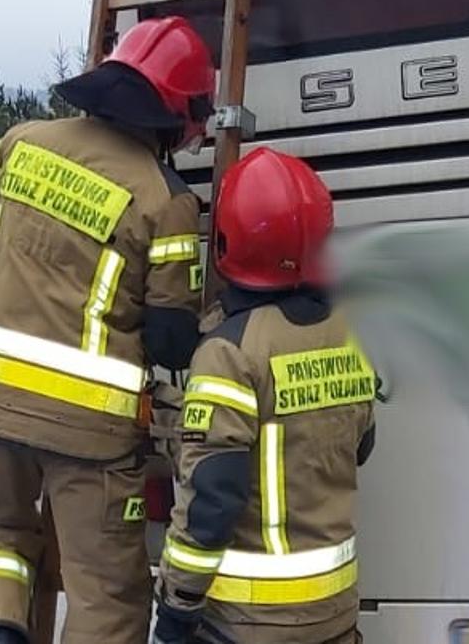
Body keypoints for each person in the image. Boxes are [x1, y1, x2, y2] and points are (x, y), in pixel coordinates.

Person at [0, 16, 214, 644]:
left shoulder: (24, 144)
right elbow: (174, 338)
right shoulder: (165, 199)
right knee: (108, 594)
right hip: (89, 434)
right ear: (176, 117)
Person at [153, 148, 377, 644]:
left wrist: (176, 608)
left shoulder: (229, 352)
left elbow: (212, 502)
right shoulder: (347, 334)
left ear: (230, 240)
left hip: (250, 623)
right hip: (335, 612)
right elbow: (360, 445)